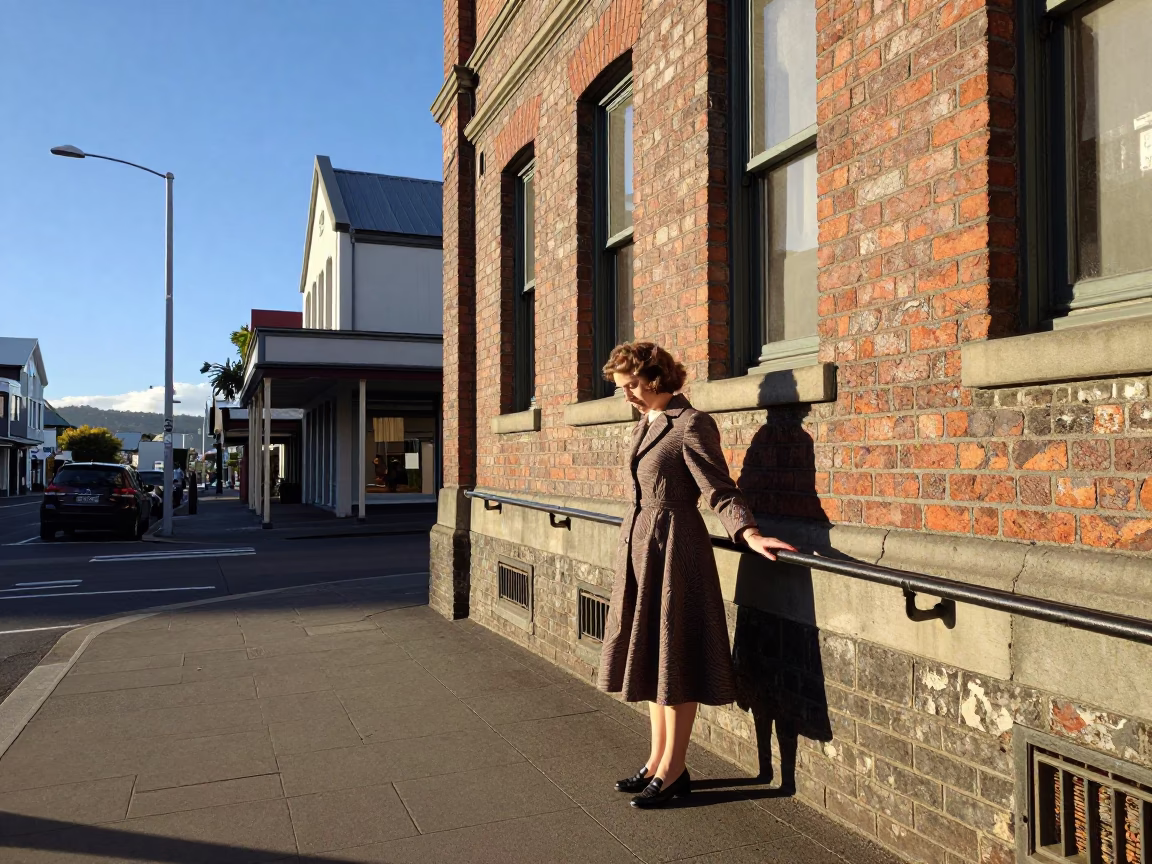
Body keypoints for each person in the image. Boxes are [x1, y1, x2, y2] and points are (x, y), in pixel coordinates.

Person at [597, 341, 796, 809]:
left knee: (675, 657)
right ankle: (656, 760)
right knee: (652, 655)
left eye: (630, 385)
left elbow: (719, 489)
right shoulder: (646, 420)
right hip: (641, 549)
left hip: (675, 553)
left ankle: (674, 768)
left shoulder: (690, 424)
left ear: (655, 378)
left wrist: (747, 533)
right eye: (621, 387)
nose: (626, 394)